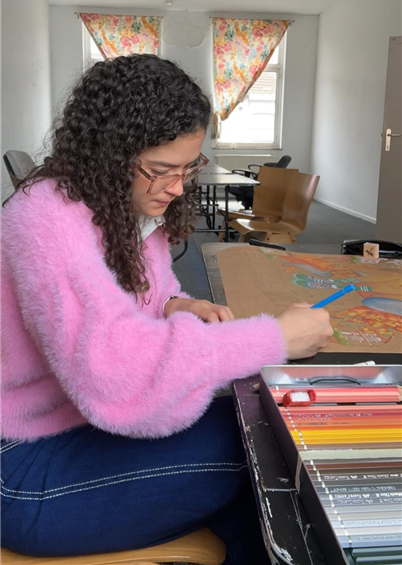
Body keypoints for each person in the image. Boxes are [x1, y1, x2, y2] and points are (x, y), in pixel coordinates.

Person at [0, 54, 333, 563]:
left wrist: (178, 303)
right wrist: (276, 339)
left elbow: (146, 293)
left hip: (76, 430)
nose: (177, 187)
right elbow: (114, 371)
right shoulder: (46, 218)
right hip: (22, 466)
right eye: (160, 171)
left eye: (188, 168)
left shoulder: (120, 206)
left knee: (252, 431)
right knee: (261, 441)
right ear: (109, 153)